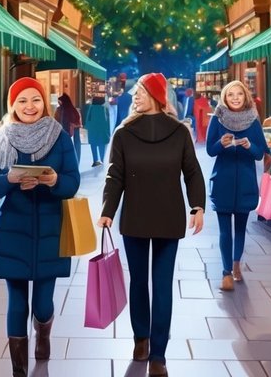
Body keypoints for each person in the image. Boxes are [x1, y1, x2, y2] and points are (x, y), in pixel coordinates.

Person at [99, 72, 205, 377]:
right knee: (139, 282)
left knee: (161, 284)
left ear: (157, 96)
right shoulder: (123, 132)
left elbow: (192, 172)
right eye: (135, 92)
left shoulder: (179, 132)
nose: (134, 96)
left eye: (141, 92)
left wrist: (197, 206)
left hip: (167, 217)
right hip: (134, 216)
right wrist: (108, 209)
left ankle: (158, 352)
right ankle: (141, 340)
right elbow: (115, 174)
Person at [0, 78, 81, 377]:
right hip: (12, 228)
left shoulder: (60, 137)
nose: (29, 106)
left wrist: (54, 181)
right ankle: (19, 369)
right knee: (16, 301)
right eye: (22, 101)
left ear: (45, 103)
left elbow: (73, 181)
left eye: (35, 100)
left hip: (51, 228)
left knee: (42, 303)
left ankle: (44, 332)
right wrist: (9, 180)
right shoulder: (2, 137)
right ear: (12, 106)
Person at [206, 79, 268, 292]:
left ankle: (236, 264)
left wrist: (250, 146)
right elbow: (210, 150)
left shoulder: (253, 121)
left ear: (245, 97)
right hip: (223, 180)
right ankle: (226, 273)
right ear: (224, 97)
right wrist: (220, 144)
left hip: (245, 182)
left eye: (239, 94)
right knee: (224, 230)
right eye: (230, 94)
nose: (235, 98)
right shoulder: (217, 118)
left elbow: (260, 153)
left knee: (240, 228)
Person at [54, 90, 83, 167]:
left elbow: (56, 121)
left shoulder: (59, 110)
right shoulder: (73, 110)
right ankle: (76, 163)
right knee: (76, 146)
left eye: (59, 102)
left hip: (65, 132)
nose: (59, 103)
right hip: (72, 132)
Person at [84, 94, 112, 167]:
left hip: (92, 130)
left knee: (93, 145)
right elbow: (107, 121)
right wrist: (109, 132)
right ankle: (102, 160)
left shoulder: (91, 108)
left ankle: (95, 160)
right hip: (102, 131)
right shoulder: (104, 109)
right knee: (101, 145)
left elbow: (87, 120)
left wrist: (87, 128)